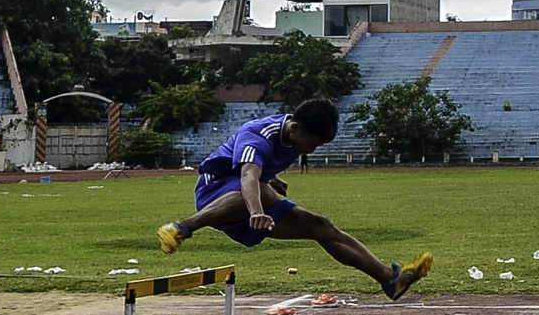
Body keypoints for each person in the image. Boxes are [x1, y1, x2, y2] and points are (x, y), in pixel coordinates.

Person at [156, 99, 433, 300]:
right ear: (296, 128)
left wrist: (271, 177)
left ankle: (389, 279)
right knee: (262, 192)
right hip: (213, 193)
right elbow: (249, 177)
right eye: (312, 143)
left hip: (249, 191)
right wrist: (256, 210)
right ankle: (181, 227)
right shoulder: (257, 136)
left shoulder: (292, 133)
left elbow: (257, 170)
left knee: (321, 226)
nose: (312, 150)